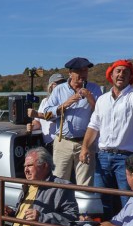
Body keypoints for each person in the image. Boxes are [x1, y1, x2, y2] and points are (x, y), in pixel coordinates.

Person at [82, 60, 133, 217]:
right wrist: (85, 147)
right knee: (101, 199)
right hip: (103, 157)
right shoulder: (102, 100)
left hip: (126, 159)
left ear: (130, 77)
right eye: (118, 71)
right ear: (111, 75)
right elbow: (93, 126)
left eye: (125, 72)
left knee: (128, 200)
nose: (121, 75)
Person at [42, 57, 103, 185]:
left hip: (85, 143)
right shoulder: (59, 90)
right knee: (58, 181)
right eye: (79, 71)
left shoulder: (95, 89)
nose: (83, 74)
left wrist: (90, 98)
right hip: (63, 142)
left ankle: (82, 205)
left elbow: (101, 114)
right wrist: (65, 104)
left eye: (85, 71)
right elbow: (47, 115)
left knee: (85, 183)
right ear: (70, 73)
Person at [26, 73, 66, 149]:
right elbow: (37, 122)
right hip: (46, 144)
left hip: (60, 143)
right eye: (57, 83)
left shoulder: (65, 102)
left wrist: (37, 114)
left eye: (63, 83)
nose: (60, 86)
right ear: (50, 86)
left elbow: (54, 117)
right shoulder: (45, 101)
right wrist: (32, 126)